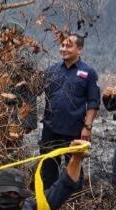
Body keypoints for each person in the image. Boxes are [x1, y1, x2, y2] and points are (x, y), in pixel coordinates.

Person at [39, 34, 100, 188]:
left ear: (79, 49)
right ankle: (48, 201)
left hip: (74, 131)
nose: (63, 49)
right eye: (62, 46)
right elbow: (33, 90)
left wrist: (88, 127)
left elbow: (93, 102)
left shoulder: (88, 73)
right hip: (50, 129)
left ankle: (74, 201)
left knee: (73, 168)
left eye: (68, 46)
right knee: (47, 169)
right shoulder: (51, 71)